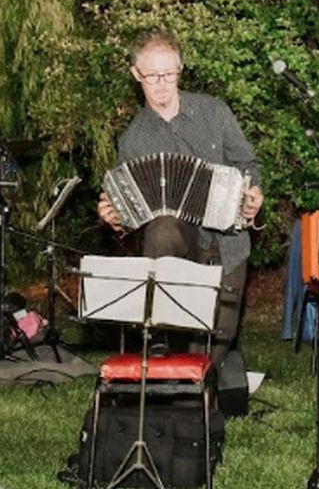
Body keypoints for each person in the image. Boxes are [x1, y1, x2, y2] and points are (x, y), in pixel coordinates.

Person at [97, 31, 264, 363]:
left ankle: (202, 391)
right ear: (136, 75)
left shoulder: (214, 112)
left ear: (180, 70)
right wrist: (114, 217)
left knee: (217, 341)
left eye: (168, 74)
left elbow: (247, 163)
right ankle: (157, 323)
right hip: (176, 246)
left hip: (226, 240)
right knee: (163, 225)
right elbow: (130, 212)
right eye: (152, 76)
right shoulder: (133, 141)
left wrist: (254, 192)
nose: (161, 83)